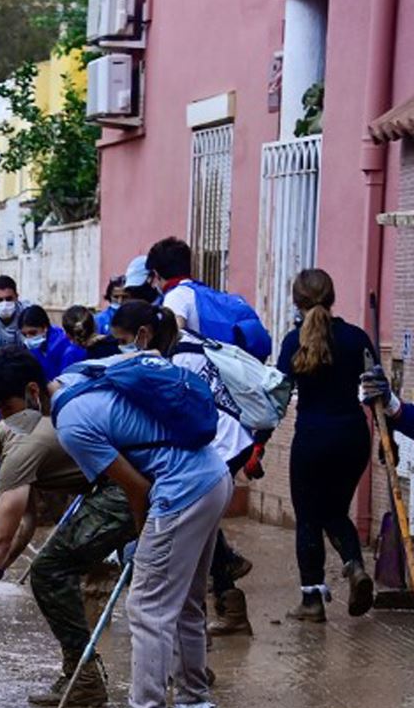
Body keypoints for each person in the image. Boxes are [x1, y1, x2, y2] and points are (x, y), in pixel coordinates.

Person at [51, 350, 233, 708]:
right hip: (214, 477)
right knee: (186, 603)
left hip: (182, 489)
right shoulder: (83, 375)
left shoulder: (70, 424)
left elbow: (137, 490)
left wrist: (142, 538)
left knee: (147, 608)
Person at [0, 350, 136, 706]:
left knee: (49, 572)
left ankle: (83, 678)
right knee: (51, 567)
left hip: (122, 489)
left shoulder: (18, 450)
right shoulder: (11, 436)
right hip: (111, 484)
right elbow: (26, 523)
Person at [108, 300, 260, 636]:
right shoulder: (177, 345)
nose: (122, 348)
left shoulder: (177, 360)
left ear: (143, 335)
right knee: (203, 525)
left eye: (124, 340)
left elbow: (184, 416)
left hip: (221, 441)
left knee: (195, 519)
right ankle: (227, 597)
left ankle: (211, 608)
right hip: (221, 439)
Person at [276, 268, 375, 621]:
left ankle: (311, 601)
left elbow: (277, 397)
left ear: (296, 302)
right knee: (334, 511)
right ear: (332, 298)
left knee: (308, 518)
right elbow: (375, 392)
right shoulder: (358, 338)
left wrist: (257, 441)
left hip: (312, 441)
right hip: (353, 439)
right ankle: (355, 565)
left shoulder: (293, 342)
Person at [18, 305, 85, 380]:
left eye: (33, 333)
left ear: (45, 327)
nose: (28, 338)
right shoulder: (33, 348)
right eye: (24, 335)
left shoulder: (62, 344)